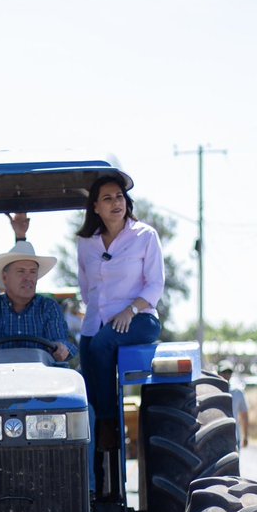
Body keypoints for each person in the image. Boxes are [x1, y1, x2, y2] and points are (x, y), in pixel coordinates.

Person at [76, 174, 164, 454]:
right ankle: (94, 463)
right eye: (107, 198)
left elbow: (156, 283)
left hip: (140, 319)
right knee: (87, 355)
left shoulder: (145, 236)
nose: (116, 202)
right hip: (96, 324)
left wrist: (130, 310)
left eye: (119, 196)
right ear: (95, 207)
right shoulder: (86, 243)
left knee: (103, 343)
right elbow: (86, 287)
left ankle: (109, 427)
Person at [0, 242, 72, 363]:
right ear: (5, 277)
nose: (28, 278)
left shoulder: (49, 307)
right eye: (21, 271)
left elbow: (62, 342)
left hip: (41, 378)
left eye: (33, 272)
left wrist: (62, 348)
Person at [219, 365, 250, 449]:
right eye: (224, 372)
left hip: (234, 437)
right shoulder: (212, 391)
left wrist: (246, 436)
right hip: (218, 437)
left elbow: (244, 415)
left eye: (229, 372)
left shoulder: (238, 392)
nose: (226, 375)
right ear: (218, 373)